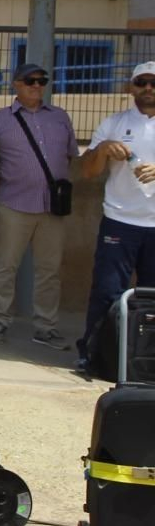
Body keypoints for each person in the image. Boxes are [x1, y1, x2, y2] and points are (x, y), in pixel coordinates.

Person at [0, 62, 79, 349]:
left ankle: (45, 326)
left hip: (52, 208)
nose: (36, 85)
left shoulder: (60, 117)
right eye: (30, 81)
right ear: (16, 84)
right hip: (13, 204)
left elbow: (69, 157)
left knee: (49, 270)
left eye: (42, 80)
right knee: (5, 266)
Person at [76, 60, 155, 371]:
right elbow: (87, 172)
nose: (148, 88)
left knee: (151, 297)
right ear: (131, 87)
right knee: (108, 291)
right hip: (120, 221)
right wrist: (104, 149)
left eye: (153, 82)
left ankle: (145, 363)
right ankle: (94, 356)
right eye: (141, 82)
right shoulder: (113, 123)